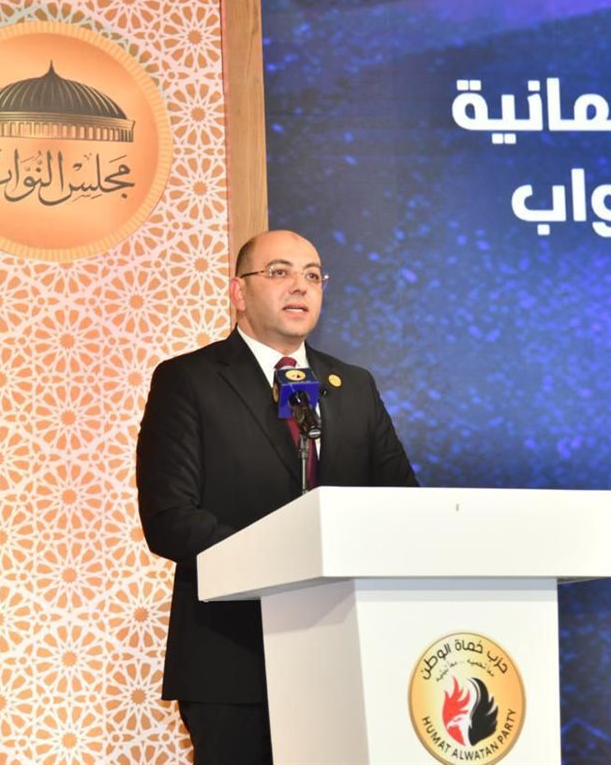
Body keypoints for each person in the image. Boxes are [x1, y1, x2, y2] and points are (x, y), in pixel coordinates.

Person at [136, 229, 418, 764]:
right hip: (233, 662)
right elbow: (170, 518)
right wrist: (289, 560)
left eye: (312, 275)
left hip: (346, 653)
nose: (300, 286)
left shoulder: (354, 386)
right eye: (279, 272)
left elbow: (402, 506)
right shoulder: (188, 380)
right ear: (239, 292)